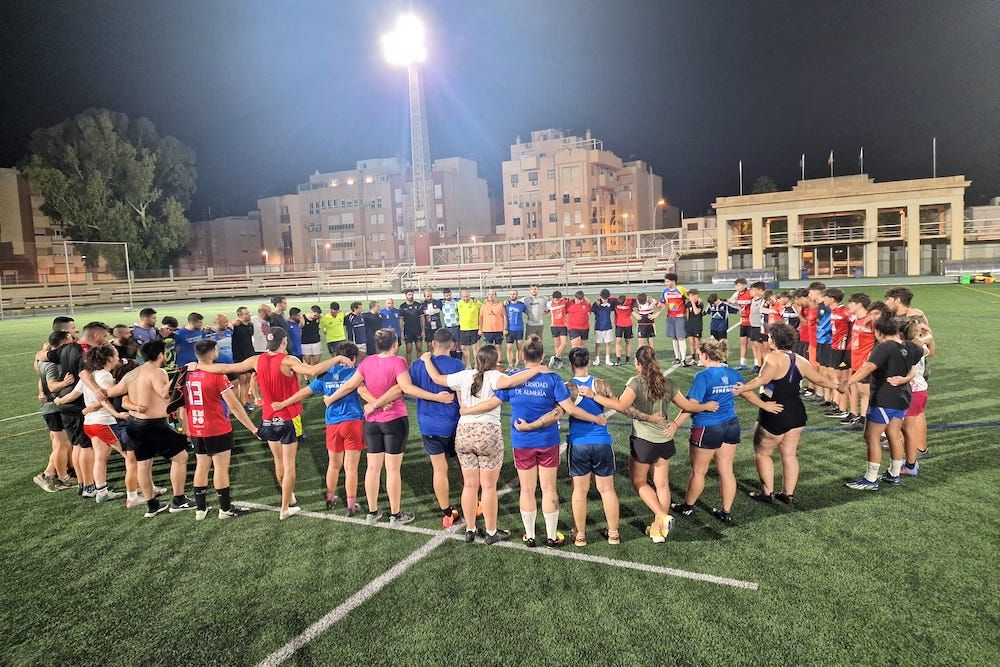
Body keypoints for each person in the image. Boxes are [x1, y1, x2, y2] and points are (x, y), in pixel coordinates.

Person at [464, 335, 606, 548]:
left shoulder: (513, 377)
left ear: (522, 355)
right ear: (542, 356)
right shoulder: (553, 379)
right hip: (548, 440)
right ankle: (550, 536)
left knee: (527, 489)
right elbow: (571, 409)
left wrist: (466, 411)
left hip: (522, 441)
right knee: (549, 489)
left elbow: (491, 403)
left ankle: (530, 535)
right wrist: (596, 418)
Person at [191, 328, 346, 519]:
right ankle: (285, 508)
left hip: (268, 418)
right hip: (289, 417)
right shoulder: (289, 360)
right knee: (289, 465)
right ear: (284, 341)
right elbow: (313, 371)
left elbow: (226, 368)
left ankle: (288, 497)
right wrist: (337, 359)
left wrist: (199, 366)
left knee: (278, 461)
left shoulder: (256, 360)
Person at [582, 345, 719, 542]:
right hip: (665, 439)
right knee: (662, 484)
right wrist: (705, 406)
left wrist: (594, 395)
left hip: (644, 440)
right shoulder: (668, 382)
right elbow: (688, 406)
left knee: (639, 481)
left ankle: (661, 517)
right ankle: (658, 530)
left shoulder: (636, 382)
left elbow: (621, 406)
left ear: (638, 363)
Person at [421, 342, 550, 543]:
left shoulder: (464, 375)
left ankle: (470, 529)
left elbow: (436, 377)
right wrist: (537, 370)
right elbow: (512, 381)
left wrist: (427, 359)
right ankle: (491, 532)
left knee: (470, 485)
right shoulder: (495, 377)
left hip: (464, 433)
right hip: (488, 433)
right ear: (493, 360)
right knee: (488, 487)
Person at [322, 329, 454, 525]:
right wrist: (436, 397)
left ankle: (373, 512)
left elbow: (352, 386)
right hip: (394, 421)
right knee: (392, 470)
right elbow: (405, 388)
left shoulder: (367, 362)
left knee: (373, 469)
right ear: (395, 344)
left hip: (372, 422)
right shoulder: (398, 362)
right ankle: (395, 514)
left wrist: (332, 398)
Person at [735, 323, 839, 503]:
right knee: (789, 454)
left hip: (775, 411)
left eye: (769, 337)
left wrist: (744, 387)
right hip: (796, 412)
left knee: (762, 453)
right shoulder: (801, 360)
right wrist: (837, 387)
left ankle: (768, 493)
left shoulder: (772, 358)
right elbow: (818, 379)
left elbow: (763, 379)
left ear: (774, 340)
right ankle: (787, 494)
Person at [671, 339, 768, 524]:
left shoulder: (703, 376)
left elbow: (691, 405)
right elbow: (747, 393)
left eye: (700, 355)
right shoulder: (732, 373)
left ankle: (688, 507)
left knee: (699, 472)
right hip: (731, 425)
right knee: (726, 470)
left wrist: (675, 424)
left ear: (706, 356)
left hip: (707, 428)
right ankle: (726, 511)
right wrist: (765, 406)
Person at [270, 341, 366, 515]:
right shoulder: (355, 374)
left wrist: (284, 403)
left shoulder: (325, 375)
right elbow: (363, 391)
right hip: (352, 422)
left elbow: (304, 392)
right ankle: (351, 506)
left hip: (332, 425)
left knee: (334, 465)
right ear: (352, 358)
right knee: (351, 468)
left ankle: (330, 498)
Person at [107, 339, 194, 517]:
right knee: (180, 457)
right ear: (161, 354)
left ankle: (152, 504)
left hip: (134, 423)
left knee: (143, 464)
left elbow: (112, 392)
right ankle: (178, 499)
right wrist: (180, 374)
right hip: (154, 424)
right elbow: (163, 392)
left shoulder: (132, 373)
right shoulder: (157, 371)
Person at [841, 316, 923, 491]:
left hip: (884, 398)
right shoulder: (911, 347)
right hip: (903, 397)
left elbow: (869, 367)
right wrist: (906, 378)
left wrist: (849, 381)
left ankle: (870, 479)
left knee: (871, 437)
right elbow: (920, 358)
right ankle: (893, 474)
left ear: (878, 332)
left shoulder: (883, 346)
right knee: (894, 434)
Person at [181, 339, 259, 520]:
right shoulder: (217, 375)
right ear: (212, 353)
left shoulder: (187, 373)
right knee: (221, 468)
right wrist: (253, 428)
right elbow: (235, 406)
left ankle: (200, 509)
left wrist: (186, 427)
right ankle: (225, 509)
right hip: (216, 427)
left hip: (196, 427)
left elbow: (182, 404)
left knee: (201, 466)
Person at [55, 345, 133, 504]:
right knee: (129, 455)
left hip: (89, 424)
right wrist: (115, 413)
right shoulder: (106, 377)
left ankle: (101, 491)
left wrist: (57, 400)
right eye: (116, 355)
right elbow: (105, 399)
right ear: (109, 358)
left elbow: (71, 396)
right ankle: (137, 488)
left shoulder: (90, 376)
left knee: (101, 457)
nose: (118, 357)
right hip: (104, 422)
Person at [409, 329, 466, 527]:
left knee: (439, 469)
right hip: (453, 423)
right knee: (463, 465)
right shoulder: (457, 364)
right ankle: (473, 505)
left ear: (433, 343)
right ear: (452, 345)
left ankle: (447, 512)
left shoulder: (417, 365)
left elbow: (408, 388)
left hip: (428, 424)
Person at [32, 331, 77, 493]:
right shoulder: (51, 363)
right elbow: (51, 385)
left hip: (53, 407)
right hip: (54, 407)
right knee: (62, 444)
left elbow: (39, 374)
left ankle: (54, 474)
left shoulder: (46, 359)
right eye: (70, 339)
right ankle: (55, 477)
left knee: (63, 443)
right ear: (63, 342)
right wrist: (64, 383)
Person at [900, 319, 934, 473]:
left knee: (906, 430)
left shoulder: (904, 348)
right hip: (921, 390)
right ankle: (909, 462)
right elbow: (930, 350)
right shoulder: (920, 347)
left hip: (910, 391)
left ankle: (910, 464)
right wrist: (928, 334)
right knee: (907, 428)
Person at [843, 294, 877, 430]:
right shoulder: (858, 320)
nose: (849, 306)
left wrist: (871, 358)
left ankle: (872, 420)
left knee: (868, 392)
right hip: (856, 361)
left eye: (851, 303)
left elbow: (879, 340)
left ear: (859, 304)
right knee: (863, 392)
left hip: (865, 363)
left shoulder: (871, 320)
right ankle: (863, 419)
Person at [820, 288, 852, 420]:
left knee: (841, 378)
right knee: (834, 375)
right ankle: (838, 404)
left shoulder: (845, 311)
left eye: (825, 297)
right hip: (835, 346)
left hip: (842, 349)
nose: (823, 300)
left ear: (832, 298)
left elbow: (854, 323)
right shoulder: (834, 311)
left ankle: (842, 408)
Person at [660, 273, 689, 365]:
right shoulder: (665, 291)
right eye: (666, 281)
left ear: (673, 281)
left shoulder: (681, 289)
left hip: (680, 317)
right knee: (674, 338)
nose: (666, 283)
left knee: (681, 338)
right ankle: (677, 357)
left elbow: (690, 297)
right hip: (670, 317)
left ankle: (683, 359)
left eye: (668, 281)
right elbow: (662, 302)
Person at [231, 307, 256, 410]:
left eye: (248, 313)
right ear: (240, 315)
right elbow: (228, 326)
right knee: (242, 380)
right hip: (239, 356)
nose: (249, 315)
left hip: (249, 354)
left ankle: (247, 400)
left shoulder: (250, 325)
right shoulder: (236, 326)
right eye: (246, 314)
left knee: (250, 378)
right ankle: (243, 403)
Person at [726, 278, 753, 369]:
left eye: (739, 285)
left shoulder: (750, 293)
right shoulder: (736, 294)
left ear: (745, 285)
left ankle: (758, 364)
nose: (737, 287)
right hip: (743, 321)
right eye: (736, 285)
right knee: (743, 342)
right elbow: (731, 301)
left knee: (754, 344)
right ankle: (742, 364)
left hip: (752, 322)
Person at [457, 289, 482, 368]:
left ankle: (477, 364)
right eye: (464, 296)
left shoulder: (476, 302)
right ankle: (467, 365)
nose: (465, 298)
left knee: (475, 348)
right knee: (464, 348)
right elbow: (457, 313)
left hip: (474, 328)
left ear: (470, 295)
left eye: (467, 296)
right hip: (463, 329)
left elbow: (484, 308)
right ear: (461, 297)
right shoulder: (458, 304)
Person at [399, 289, 425, 362]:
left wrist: (423, 330)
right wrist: (401, 332)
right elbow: (401, 320)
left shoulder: (418, 305)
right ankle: (409, 367)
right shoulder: (402, 306)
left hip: (418, 330)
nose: (411, 296)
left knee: (419, 348)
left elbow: (422, 318)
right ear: (406, 295)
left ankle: (419, 366)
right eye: (409, 295)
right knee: (408, 350)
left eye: (412, 295)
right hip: (408, 331)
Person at [502, 290, 527, 368]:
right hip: (510, 329)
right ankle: (510, 365)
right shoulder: (506, 304)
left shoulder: (521, 305)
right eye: (511, 294)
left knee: (519, 347)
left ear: (517, 295)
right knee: (509, 348)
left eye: (514, 294)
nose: (512, 295)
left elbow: (529, 312)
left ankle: (517, 365)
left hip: (519, 329)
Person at [591, 289, 614, 367]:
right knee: (598, 344)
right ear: (600, 296)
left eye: (606, 298)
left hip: (608, 326)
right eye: (603, 298)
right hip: (598, 327)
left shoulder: (611, 302)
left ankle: (608, 359)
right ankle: (597, 359)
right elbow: (592, 311)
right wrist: (598, 302)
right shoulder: (596, 304)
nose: (605, 300)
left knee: (608, 343)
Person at [747, 281, 767, 372]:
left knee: (763, 348)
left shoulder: (763, 301)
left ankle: (765, 365)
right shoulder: (753, 300)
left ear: (759, 290)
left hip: (760, 326)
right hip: (753, 325)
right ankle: (759, 364)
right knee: (756, 345)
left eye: (753, 290)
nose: (751, 292)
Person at [546, 290, 569, 368]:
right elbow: (546, 311)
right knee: (557, 344)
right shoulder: (549, 304)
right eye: (556, 299)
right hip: (554, 326)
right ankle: (558, 360)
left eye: (558, 299)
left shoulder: (564, 301)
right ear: (553, 298)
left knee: (564, 343)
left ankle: (555, 357)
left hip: (563, 325)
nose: (557, 301)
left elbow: (569, 300)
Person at [611, 293, 636, 365]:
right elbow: (605, 298)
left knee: (628, 341)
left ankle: (627, 358)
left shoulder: (631, 300)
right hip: (619, 324)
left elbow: (639, 300)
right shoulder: (615, 301)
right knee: (618, 341)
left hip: (628, 324)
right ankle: (618, 358)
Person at [479, 289, 506, 353]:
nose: (491, 296)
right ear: (487, 296)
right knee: (488, 347)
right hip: (487, 330)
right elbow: (480, 317)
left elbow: (505, 317)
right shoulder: (484, 305)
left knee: (498, 347)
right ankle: (489, 361)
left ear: (496, 296)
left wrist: (505, 328)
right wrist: (480, 329)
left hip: (498, 330)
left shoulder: (500, 304)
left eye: (493, 294)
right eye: (489, 294)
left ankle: (498, 361)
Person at [684, 288, 704, 366]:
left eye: (694, 296)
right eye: (691, 296)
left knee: (697, 342)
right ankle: (693, 358)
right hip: (690, 324)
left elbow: (696, 312)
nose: (693, 297)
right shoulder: (688, 303)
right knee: (691, 342)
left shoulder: (700, 303)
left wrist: (692, 302)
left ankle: (700, 359)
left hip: (697, 324)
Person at [440, 288, 461, 357]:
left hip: (456, 325)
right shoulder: (442, 303)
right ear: (444, 296)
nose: (448, 297)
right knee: (451, 344)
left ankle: (459, 360)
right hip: (448, 327)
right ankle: (453, 359)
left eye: (449, 295)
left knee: (458, 344)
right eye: (446, 296)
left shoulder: (456, 301)